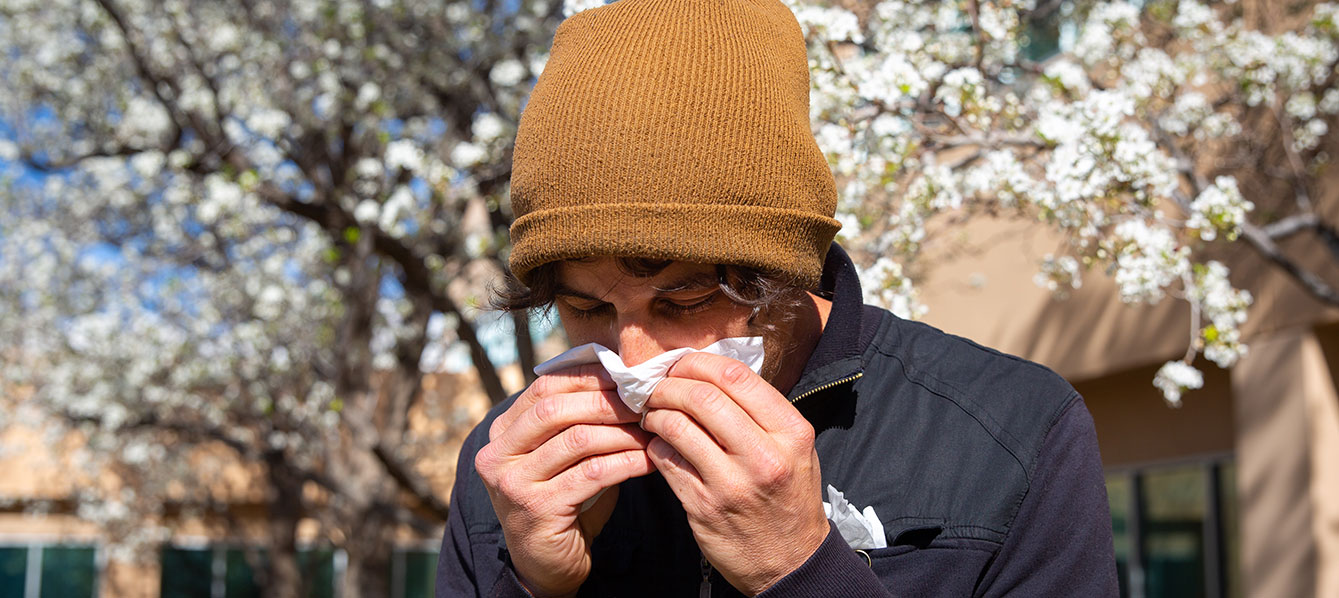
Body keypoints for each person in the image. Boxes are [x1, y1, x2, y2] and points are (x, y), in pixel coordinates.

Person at [436, 0, 1120, 595]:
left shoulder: (1014, 433)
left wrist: (799, 572)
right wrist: (529, 582)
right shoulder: (505, 466)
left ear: (782, 272)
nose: (630, 356)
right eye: (589, 308)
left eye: (682, 301)